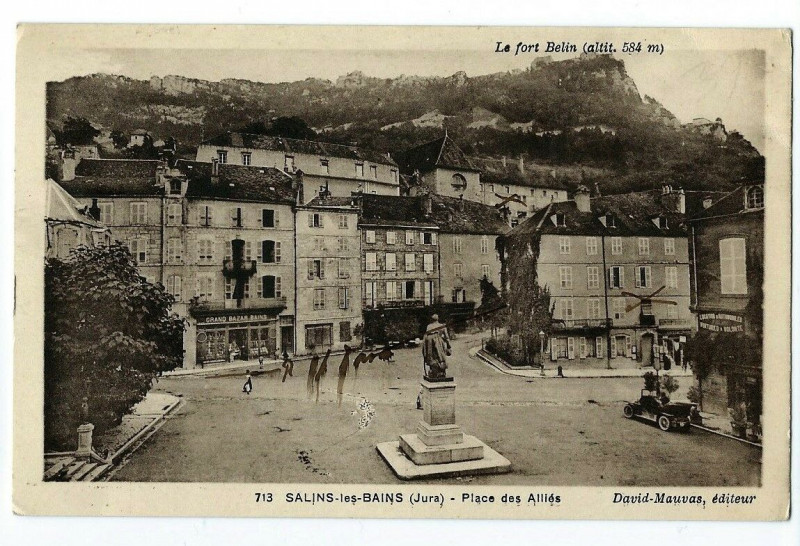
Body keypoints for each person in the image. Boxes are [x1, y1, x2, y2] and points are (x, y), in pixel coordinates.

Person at [422, 314, 451, 379]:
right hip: (438, 343)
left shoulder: (429, 326)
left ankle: (435, 371)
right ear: (438, 319)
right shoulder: (442, 326)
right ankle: (439, 372)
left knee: (432, 357)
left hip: (430, 344)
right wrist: (449, 346)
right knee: (440, 357)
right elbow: (447, 338)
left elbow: (426, 336)